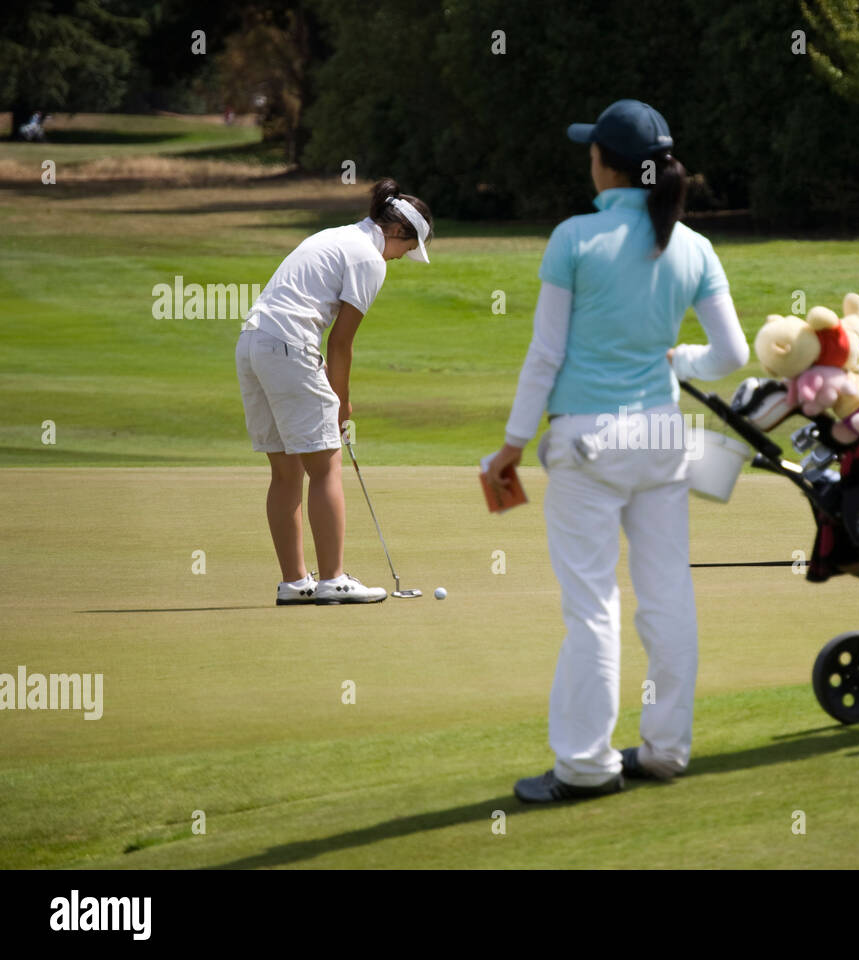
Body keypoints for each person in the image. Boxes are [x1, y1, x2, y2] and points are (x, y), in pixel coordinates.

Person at [485, 99, 749, 803]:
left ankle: (585, 765)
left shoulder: (574, 237)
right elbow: (732, 353)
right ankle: (665, 749)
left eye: (592, 151)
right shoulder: (693, 245)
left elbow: (546, 355)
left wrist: (511, 445)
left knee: (593, 607)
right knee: (667, 596)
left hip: (588, 442)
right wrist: (679, 360)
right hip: (662, 439)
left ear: (606, 164)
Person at [236, 178, 433, 605]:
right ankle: (333, 580)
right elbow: (341, 342)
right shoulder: (370, 258)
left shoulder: (336, 235)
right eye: (407, 250)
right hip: (288, 346)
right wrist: (342, 404)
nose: (400, 259)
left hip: (253, 344)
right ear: (397, 233)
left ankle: (294, 583)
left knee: (286, 470)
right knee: (325, 466)